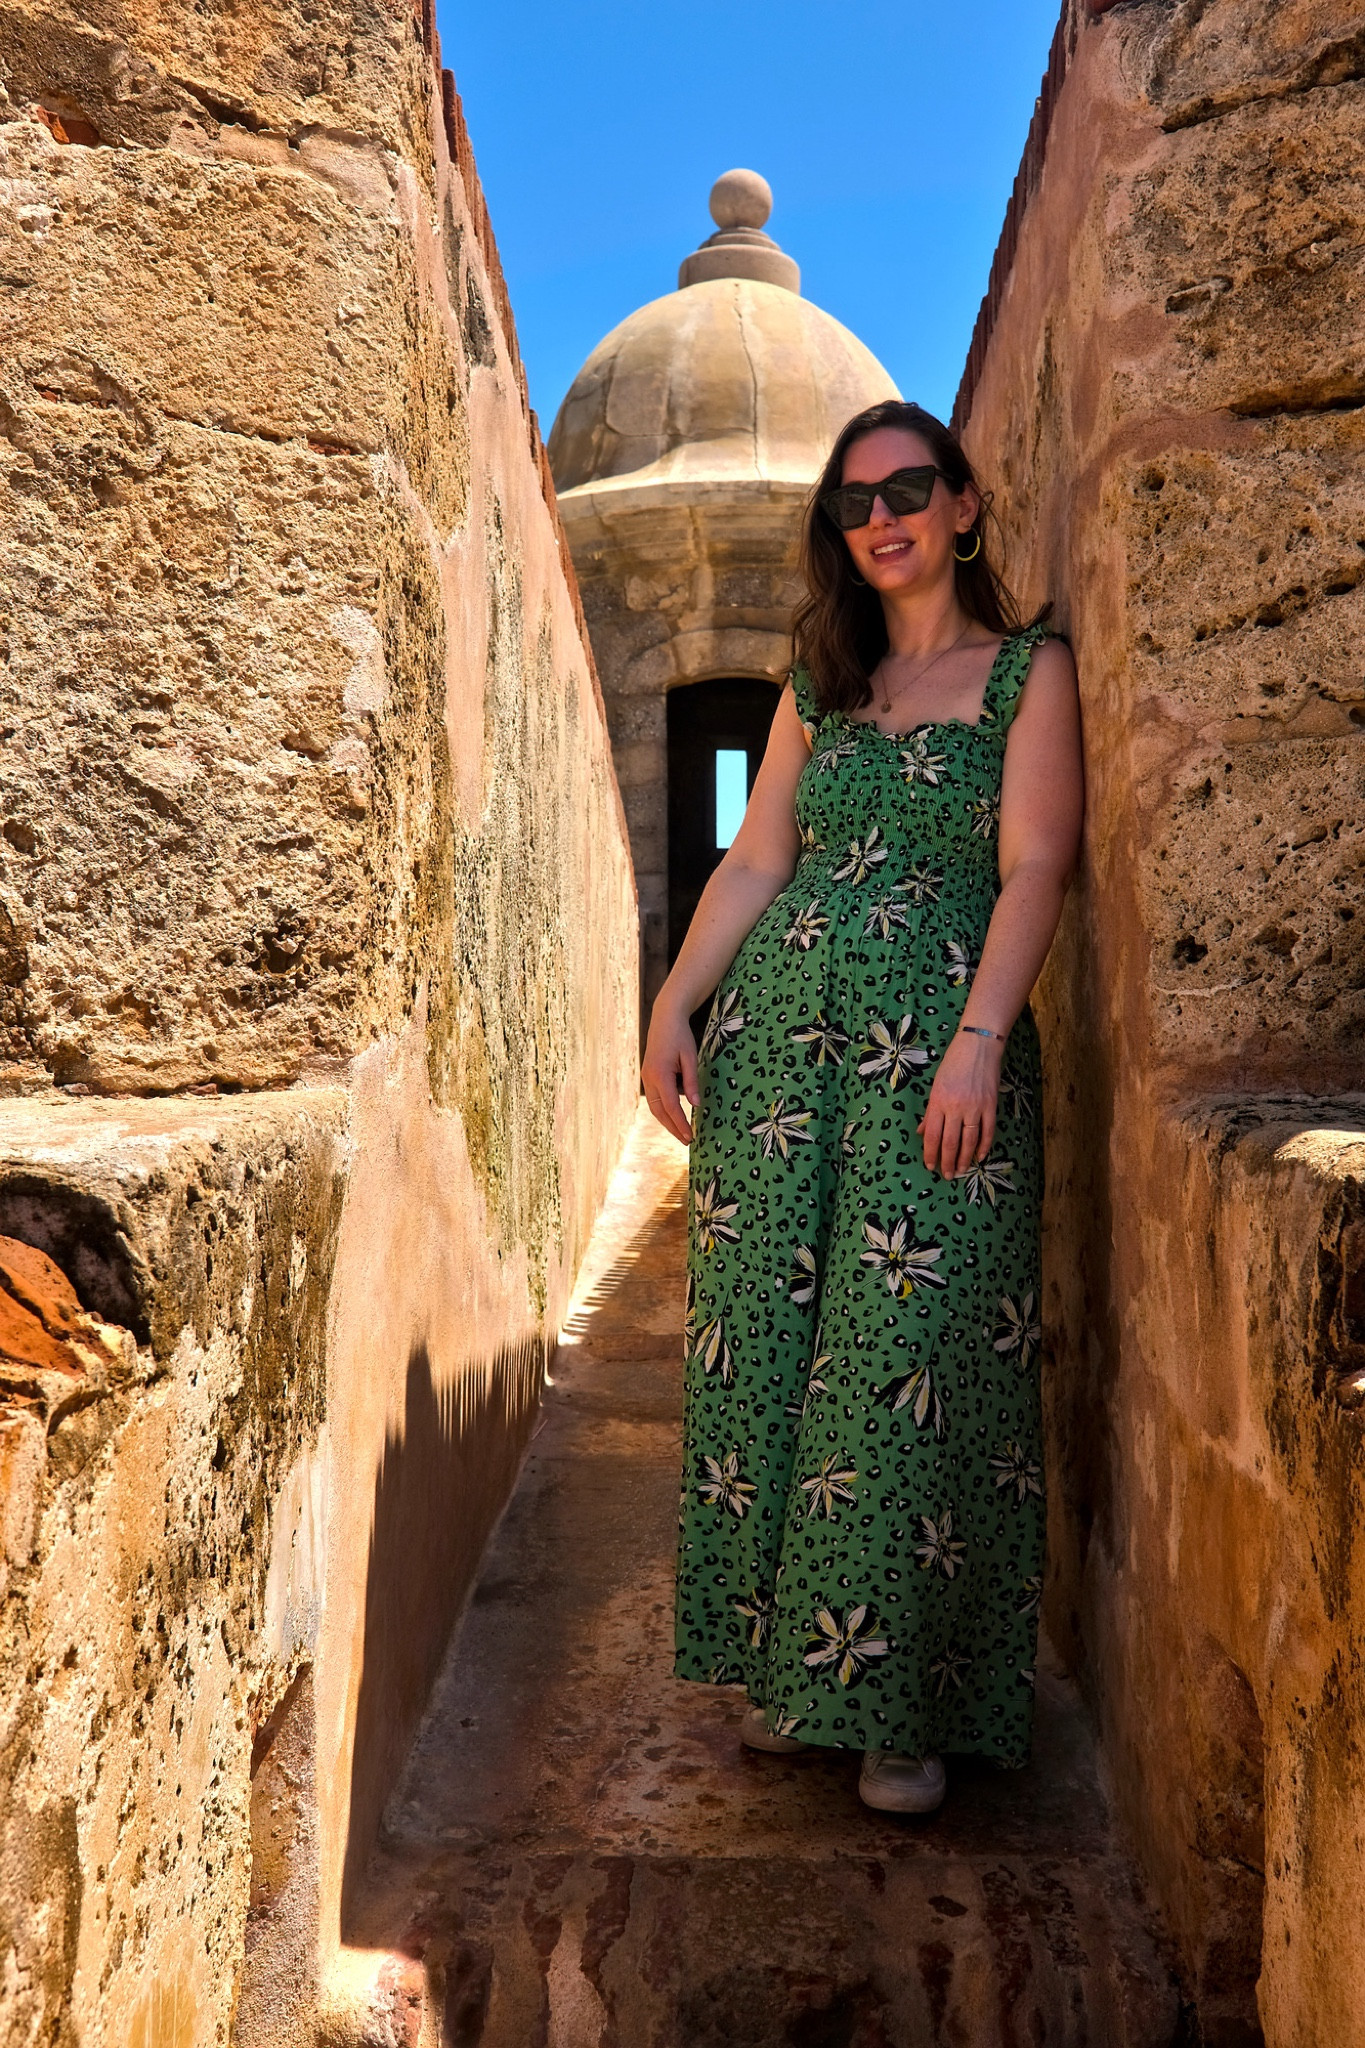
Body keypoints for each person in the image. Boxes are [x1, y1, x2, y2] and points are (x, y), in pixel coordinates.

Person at [641, 398, 1083, 1814]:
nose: (880, 517)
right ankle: (796, 1671)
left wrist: (976, 1041)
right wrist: (673, 1002)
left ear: (961, 503)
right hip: (780, 1063)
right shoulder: (815, 681)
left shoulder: (1026, 675)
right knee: (763, 1355)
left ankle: (901, 1703)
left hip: (932, 1062)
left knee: (909, 1355)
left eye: (906, 488)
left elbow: (1032, 871)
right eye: (852, 503)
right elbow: (758, 861)